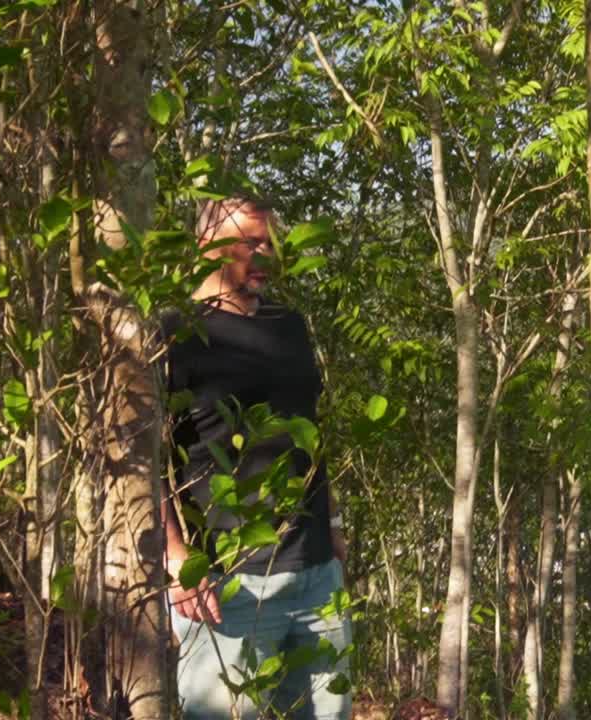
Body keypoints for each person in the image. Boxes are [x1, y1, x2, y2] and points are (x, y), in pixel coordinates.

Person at [161, 195, 351, 720]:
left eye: (272, 243)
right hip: (227, 582)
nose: (265, 254)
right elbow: (147, 461)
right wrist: (176, 558)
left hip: (315, 575)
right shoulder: (173, 333)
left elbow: (310, 431)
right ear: (207, 245)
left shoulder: (289, 326)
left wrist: (332, 525)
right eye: (251, 242)